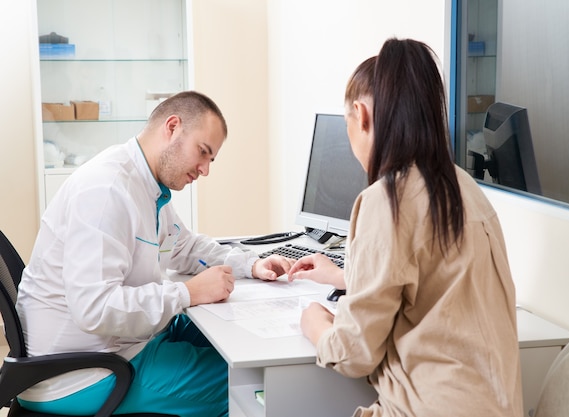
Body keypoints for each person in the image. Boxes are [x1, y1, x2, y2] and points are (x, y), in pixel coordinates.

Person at [16, 90, 293, 417]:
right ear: (172, 127)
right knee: (253, 387)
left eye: (211, 160)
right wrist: (187, 293)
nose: (205, 170)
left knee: (244, 348)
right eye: (202, 153)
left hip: (121, 343)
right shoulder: (106, 192)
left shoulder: (146, 187)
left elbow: (184, 247)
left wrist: (253, 264)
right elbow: (93, 309)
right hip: (78, 373)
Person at [288, 38, 523, 417]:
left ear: (361, 116)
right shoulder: (465, 188)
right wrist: (350, 278)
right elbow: (434, 284)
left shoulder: (386, 200)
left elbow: (354, 354)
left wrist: (314, 324)